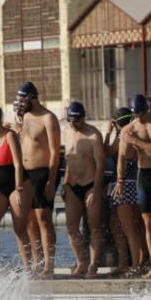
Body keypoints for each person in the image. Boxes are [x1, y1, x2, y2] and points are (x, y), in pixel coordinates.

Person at [116, 95, 151, 279]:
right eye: (136, 115)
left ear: (147, 109)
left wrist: (136, 142)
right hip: (144, 175)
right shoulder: (129, 129)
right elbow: (122, 158)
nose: (139, 118)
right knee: (148, 223)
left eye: (141, 114)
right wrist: (120, 180)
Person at [14, 82, 61, 276]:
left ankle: (49, 265)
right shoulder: (25, 117)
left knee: (43, 219)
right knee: (29, 220)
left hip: (43, 172)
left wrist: (51, 181)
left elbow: (55, 153)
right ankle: (37, 262)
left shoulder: (48, 118)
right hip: (26, 173)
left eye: (23, 100)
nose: (20, 104)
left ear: (34, 98)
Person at [0, 104, 31, 268]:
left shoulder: (10, 135)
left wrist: (18, 189)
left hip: (17, 184)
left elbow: (18, 164)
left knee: (19, 228)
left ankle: (27, 267)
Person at [62, 102, 106, 278]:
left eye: (76, 120)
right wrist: (65, 184)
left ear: (83, 117)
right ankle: (82, 262)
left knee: (94, 227)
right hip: (72, 185)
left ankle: (93, 265)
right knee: (71, 227)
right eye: (70, 120)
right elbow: (68, 161)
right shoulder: (67, 132)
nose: (73, 124)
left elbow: (101, 165)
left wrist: (96, 189)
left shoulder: (94, 135)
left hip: (90, 184)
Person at [104, 108, 145, 274]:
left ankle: (135, 265)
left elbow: (106, 153)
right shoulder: (133, 135)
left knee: (128, 228)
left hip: (124, 184)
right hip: (125, 184)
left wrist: (109, 133)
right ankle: (127, 262)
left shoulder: (125, 137)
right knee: (118, 227)